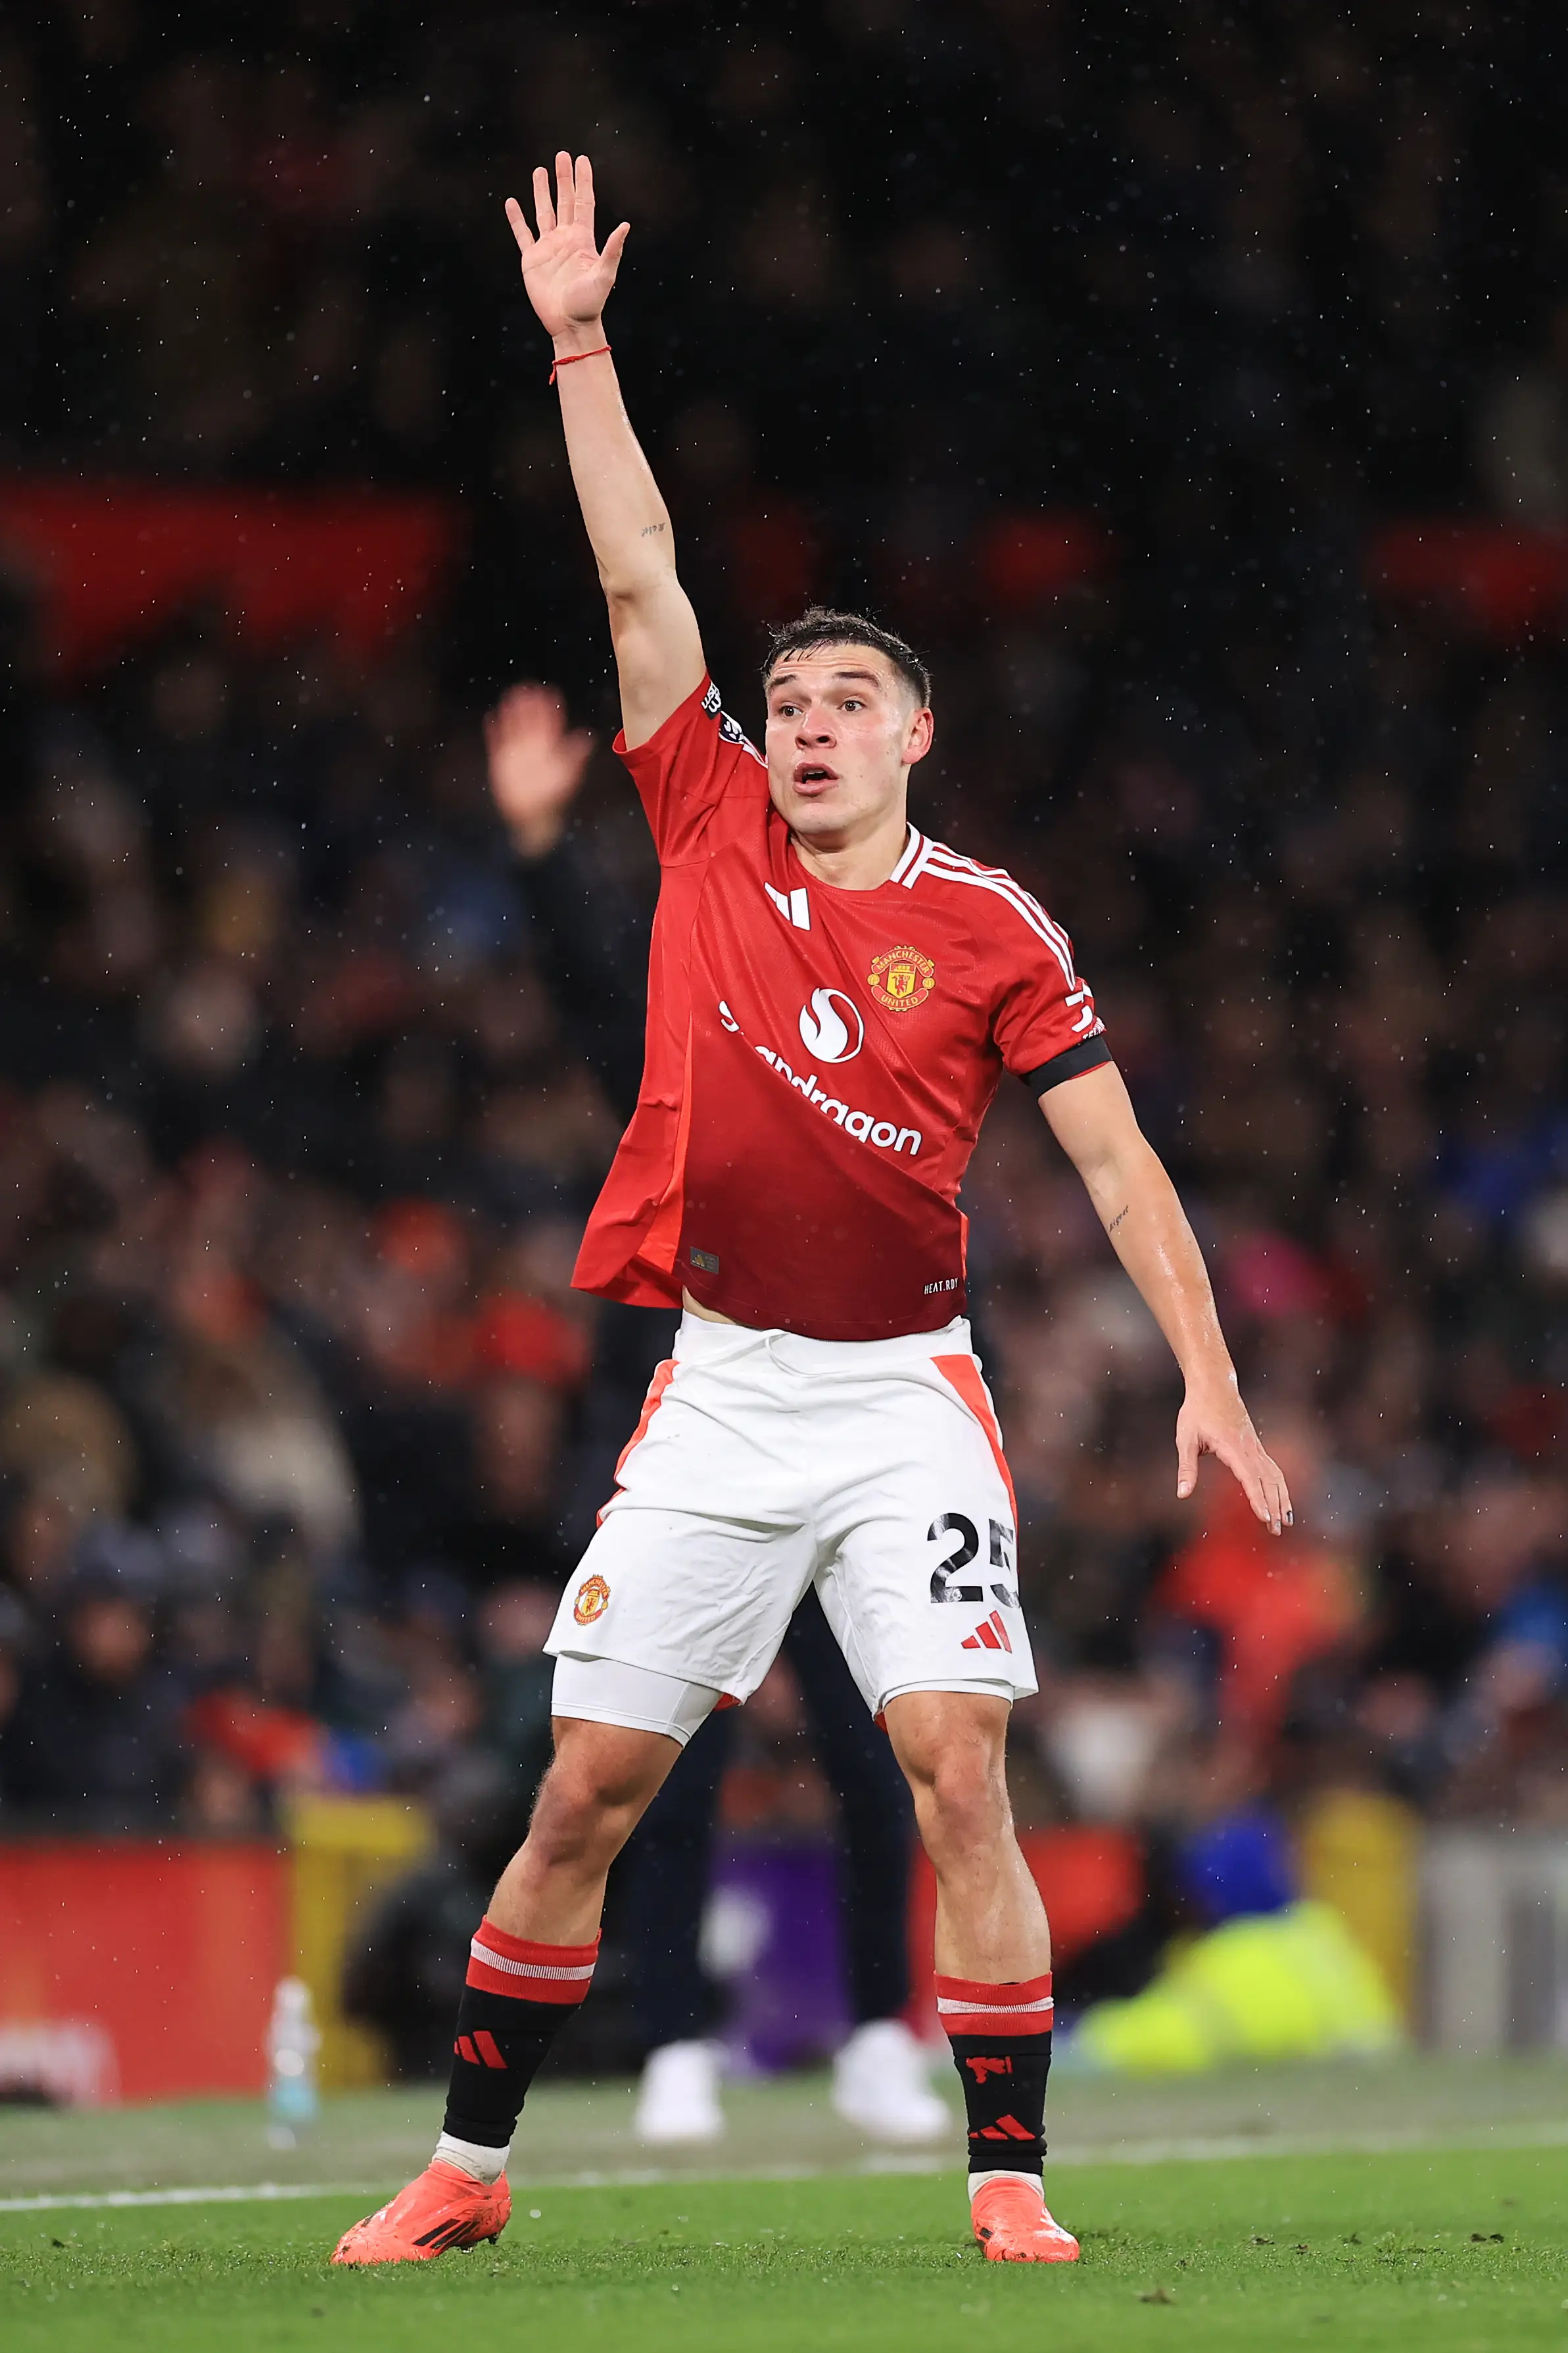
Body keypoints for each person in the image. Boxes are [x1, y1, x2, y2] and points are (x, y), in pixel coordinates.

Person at [333, 151, 1291, 2272]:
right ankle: (468, 2170)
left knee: (957, 1762)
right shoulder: (697, 821)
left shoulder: (990, 928)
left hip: (903, 1401)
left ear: (919, 738)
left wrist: (1211, 1377)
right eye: (786, 705)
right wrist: (580, 346)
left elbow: (1118, 1162)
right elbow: (640, 568)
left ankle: (1007, 2175)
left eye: (850, 701)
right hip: (721, 1387)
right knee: (586, 1789)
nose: (805, 724)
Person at [488, 679, 945, 2148]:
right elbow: (595, 1007)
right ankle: (675, 2043)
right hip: (706, 1430)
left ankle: (883, 2029)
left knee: (885, 1743)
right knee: (660, 1759)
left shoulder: (880, 1068)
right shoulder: (695, 1052)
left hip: (856, 1437)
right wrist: (546, 852)